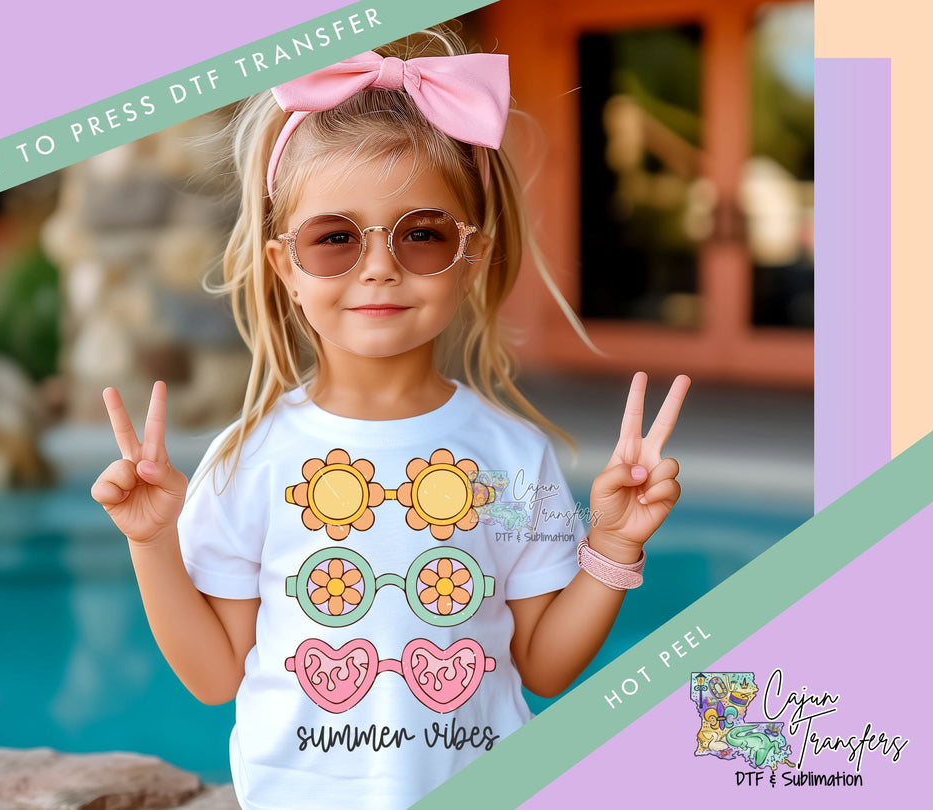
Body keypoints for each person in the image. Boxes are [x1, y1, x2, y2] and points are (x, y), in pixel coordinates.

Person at [91, 25, 690, 810]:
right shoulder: (250, 459)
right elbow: (213, 678)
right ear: (286, 266)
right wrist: (151, 541)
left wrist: (612, 544)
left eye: (422, 235)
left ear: (471, 254)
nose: (379, 265)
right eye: (334, 238)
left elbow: (543, 667)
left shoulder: (512, 457)